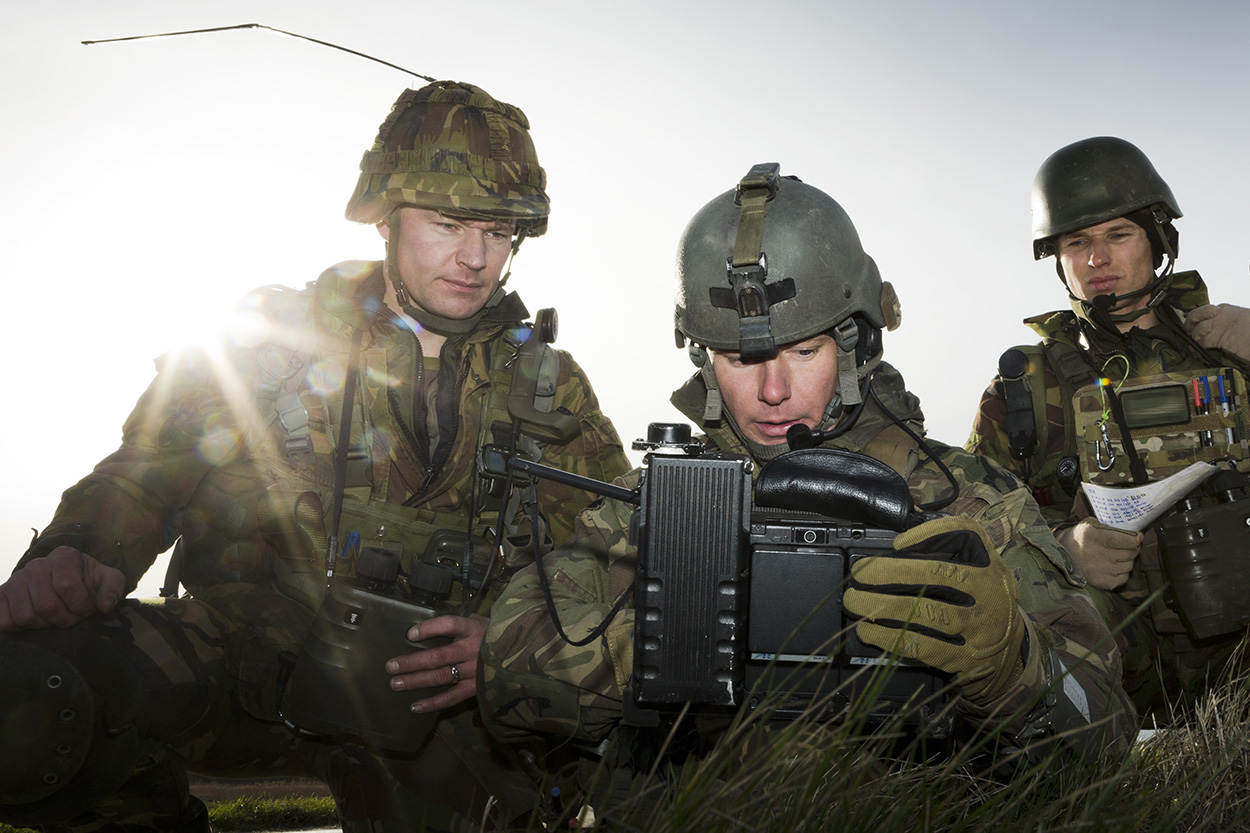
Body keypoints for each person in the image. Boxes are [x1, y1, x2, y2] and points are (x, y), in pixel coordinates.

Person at [0, 80, 629, 833]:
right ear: (386, 217)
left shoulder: (550, 387)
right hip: (254, 662)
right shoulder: (271, 338)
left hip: (440, 700)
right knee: (37, 684)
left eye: (499, 232)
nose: (475, 257)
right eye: (449, 223)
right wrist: (80, 552)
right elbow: (145, 472)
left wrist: (511, 648)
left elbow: (614, 550)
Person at [478, 164, 1136, 792]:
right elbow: (506, 681)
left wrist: (1012, 665)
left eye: (803, 350)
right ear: (704, 359)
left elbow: (1106, 737)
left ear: (855, 345)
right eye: (741, 358)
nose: (773, 390)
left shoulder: (969, 501)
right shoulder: (652, 505)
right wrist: (682, 640)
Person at [966, 136, 1250, 723]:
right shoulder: (1023, 388)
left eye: (1118, 235)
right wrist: (1063, 547)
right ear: (1058, 258)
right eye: (1078, 242)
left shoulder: (1231, 343)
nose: (1098, 258)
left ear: (1157, 239)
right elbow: (969, 523)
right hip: (1122, 658)